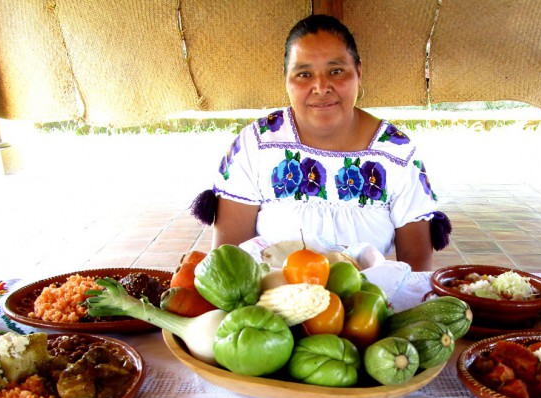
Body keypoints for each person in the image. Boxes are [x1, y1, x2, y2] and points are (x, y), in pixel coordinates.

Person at [191, 14, 450, 272]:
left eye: (336, 71)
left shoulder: (397, 153)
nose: (321, 87)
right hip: (267, 297)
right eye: (304, 74)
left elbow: (416, 266)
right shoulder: (255, 145)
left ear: (358, 72)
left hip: (369, 299)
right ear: (286, 79)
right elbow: (229, 261)